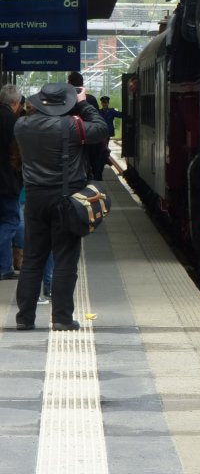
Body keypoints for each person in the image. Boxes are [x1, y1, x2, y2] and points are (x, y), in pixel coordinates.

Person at [14, 82, 108, 331]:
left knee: (33, 260)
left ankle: (24, 318)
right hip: (66, 200)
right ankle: (62, 318)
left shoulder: (21, 125)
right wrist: (83, 104)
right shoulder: (73, 126)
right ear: (64, 104)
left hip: (34, 199)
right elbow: (101, 129)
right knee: (65, 259)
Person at [0, 85, 23, 280]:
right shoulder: (13, 122)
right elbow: (17, 153)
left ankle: (5, 268)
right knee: (11, 221)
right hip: (6, 181)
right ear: (15, 103)